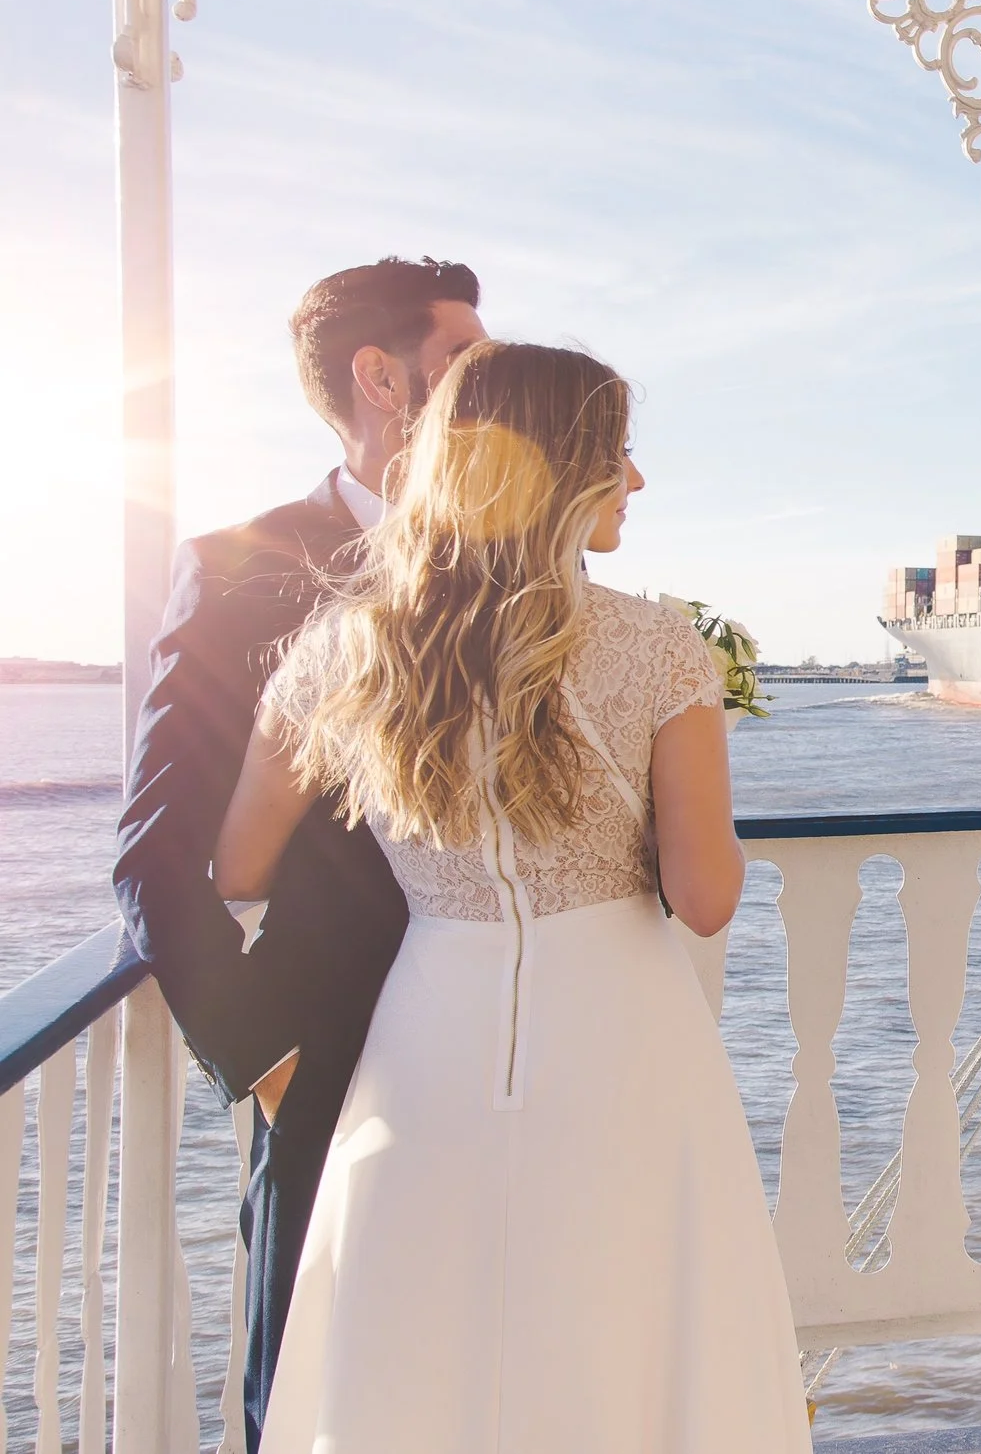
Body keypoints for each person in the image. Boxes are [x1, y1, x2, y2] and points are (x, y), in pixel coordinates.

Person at [214, 340, 808, 1453]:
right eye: (618, 453)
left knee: (425, 1341)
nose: (635, 480)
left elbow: (238, 866)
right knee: (634, 1334)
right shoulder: (656, 646)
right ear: (560, 467)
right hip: (623, 1036)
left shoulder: (352, 643)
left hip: (430, 1031)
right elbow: (706, 892)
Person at [114, 257, 486, 1452]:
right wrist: (266, 1056)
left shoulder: (519, 560)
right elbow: (155, 852)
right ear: (381, 379)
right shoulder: (240, 563)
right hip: (331, 1048)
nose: (494, 385)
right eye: (463, 363)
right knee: (316, 1379)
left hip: (502, 1043)